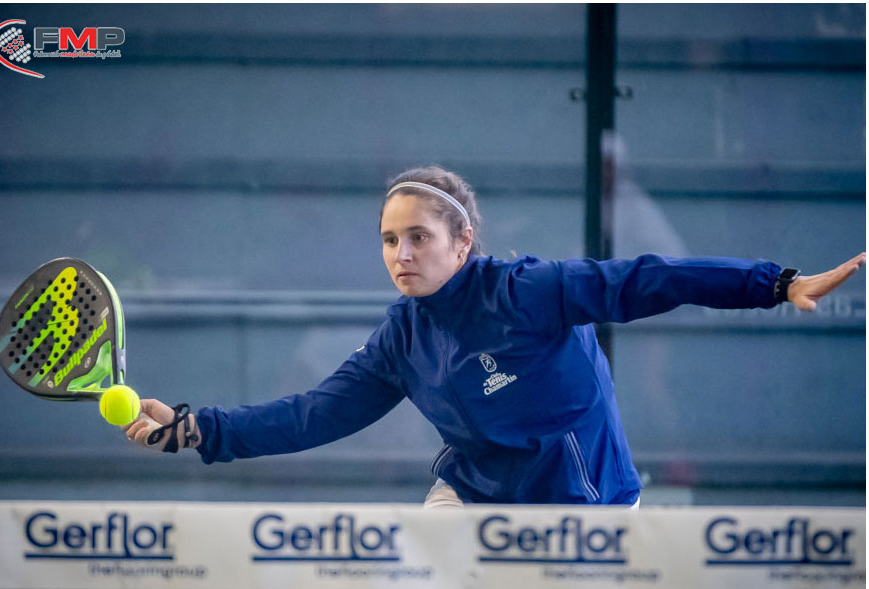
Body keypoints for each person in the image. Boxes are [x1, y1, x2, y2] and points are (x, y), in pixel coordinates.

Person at [125, 165, 865, 511]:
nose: (400, 254)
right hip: (472, 496)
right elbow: (311, 415)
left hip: (584, 502)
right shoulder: (400, 339)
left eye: (418, 237)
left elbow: (649, 279)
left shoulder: (527, 290)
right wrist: (194, 428)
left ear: (462, 243)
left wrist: (776, 283)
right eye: (389, 240)